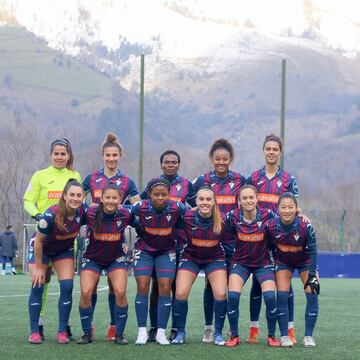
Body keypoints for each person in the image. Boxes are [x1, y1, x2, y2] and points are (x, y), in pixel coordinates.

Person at [82, 132, 140, 341]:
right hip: (94, 242)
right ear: (102, 155)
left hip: (116, 242)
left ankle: (114, 328)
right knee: (90, 288)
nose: (111, 159)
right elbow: (77, 199)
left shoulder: (127, 181)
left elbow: (138, 206)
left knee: (117, 290)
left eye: (115, 155)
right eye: (108, 155)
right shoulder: (91, 178)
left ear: (120, 155)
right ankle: (88, 328)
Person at [23, 138, 81, 341]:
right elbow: (28, 201)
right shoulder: (40, 176)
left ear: (68, 156)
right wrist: (39, 216)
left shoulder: (74, 176)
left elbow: (79, 201)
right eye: (56, 153)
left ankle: (63, 327)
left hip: (66, 241)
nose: (59, 157)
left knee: (66, 285)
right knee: (41, 281)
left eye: (63, 154)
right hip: (44, 236)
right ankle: (37, 324)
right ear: (51, 155)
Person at [246, 133, 299, 344]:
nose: (271, 152)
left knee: (286, 285)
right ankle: (253, 329)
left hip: (281, 239)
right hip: (259, 238)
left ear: (280, 152)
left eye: (275, 149)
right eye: (268, 148)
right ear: (263, 151)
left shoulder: (288, 179)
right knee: (258, 284)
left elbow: (294, 208)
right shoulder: (253, 178)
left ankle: (290, 330)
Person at [193, 138, 246, 342]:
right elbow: (191, 206)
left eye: (225, 159)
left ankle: (231, 329)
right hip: (210, 241)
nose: (221, 162)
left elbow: (249, 201)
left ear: (230, 159)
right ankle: (209, 328)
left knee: (232, 288)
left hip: (233, 241)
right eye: (218, 159)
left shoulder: (241, 180)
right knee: (210, 286)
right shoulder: (202, 181)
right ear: (212, 159)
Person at [141, 150, 196, 342]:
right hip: (159, 244)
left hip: (181, 244)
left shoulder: (187, 185)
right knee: (157, 287)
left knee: (176, 287)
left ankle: (175, 329)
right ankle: (155, 328)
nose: (170, 164)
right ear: (161, 164)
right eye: (167, 162)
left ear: (179, 165)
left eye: (174, 162)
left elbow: (193, 211)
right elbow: (140, 206)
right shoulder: (152, 183)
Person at [28, 179, 85, 344]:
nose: (75, 198)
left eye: (79, 195)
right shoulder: (50, 215)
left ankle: (62, 332)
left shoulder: (83, 211)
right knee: (38, 284)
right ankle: (34, 332)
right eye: (72, 195)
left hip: (63, 250)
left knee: (67, 286)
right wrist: (39, 267)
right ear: (65, 196)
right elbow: (38, 241)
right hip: (42, 249)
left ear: (82, 197)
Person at [77, 183, 134, 345]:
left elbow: (141, 225)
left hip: (116, 259)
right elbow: (72, 221)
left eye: (114, 198)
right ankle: (87, 333)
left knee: (121, 291)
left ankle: (119, 334)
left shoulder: (126, 214)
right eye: (107, 197)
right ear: (101, 198)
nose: (111, 201)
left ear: (120, 199)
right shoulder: (89, 212)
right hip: (92, 258)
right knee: (86, 291)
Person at [131, 178, 186, 345]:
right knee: (142, 286)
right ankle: (142, 331)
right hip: (144, 250)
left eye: (164, 194)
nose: (160, 197)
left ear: (169, 195)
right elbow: (124, 216)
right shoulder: (139, 207)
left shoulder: (178, 208)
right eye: (156, 194)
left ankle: (161, 332)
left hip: (166, 251)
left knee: (164, 288)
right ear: (149, 195)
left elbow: (187, 222)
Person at [225, 185, 279, 347]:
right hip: (240, 264)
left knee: (270, 297)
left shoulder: (268, 215)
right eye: (244, 198)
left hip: (263, 264)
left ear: (257, 199)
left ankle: (271, 336)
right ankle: (234, 335)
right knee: (233, 296)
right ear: (239, 201)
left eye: (251, 197)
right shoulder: (232, 216)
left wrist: (300, 214)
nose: (248, 201)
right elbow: (214, 219)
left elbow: (285, 218)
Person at [172, 186, 227, 346]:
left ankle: (217, 334)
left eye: (208, 199)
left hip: (214, 259)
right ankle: (180, 333)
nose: (205, 202)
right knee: (180, 293)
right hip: (191, 258)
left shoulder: (222, 219)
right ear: (195, 201)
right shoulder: (187, 216)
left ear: (214, 202)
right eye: (201, 199)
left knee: (221, 294)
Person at [268, 193, 319, 347]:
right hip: (283, 263)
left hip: (305, 263)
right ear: (277, 209)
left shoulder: (305, 226)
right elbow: (269, 247)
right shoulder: (271, 226)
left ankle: (308, 336)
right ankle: (284, 336)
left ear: (297, 209)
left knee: (312, 293)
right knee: (282, 296)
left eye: (291, 207)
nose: (287, 211)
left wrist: (312, 275)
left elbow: (313, 252)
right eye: (283, 207)